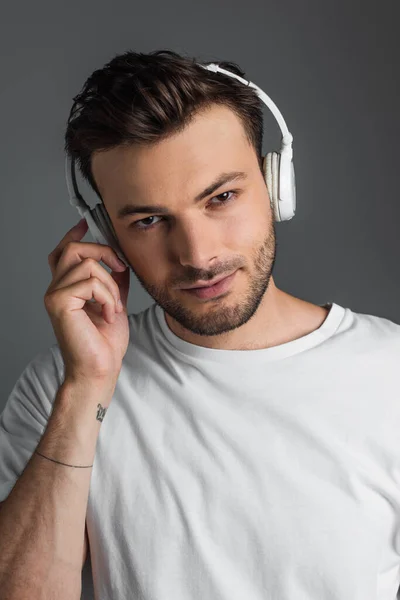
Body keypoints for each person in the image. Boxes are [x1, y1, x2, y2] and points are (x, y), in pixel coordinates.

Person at [0, 49, 399, 600]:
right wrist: (86, 386)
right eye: (148, 220)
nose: (197, 254)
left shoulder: (390, 373)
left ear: (276, 186)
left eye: (222, 197)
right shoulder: (60, 391)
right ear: (106, 235)